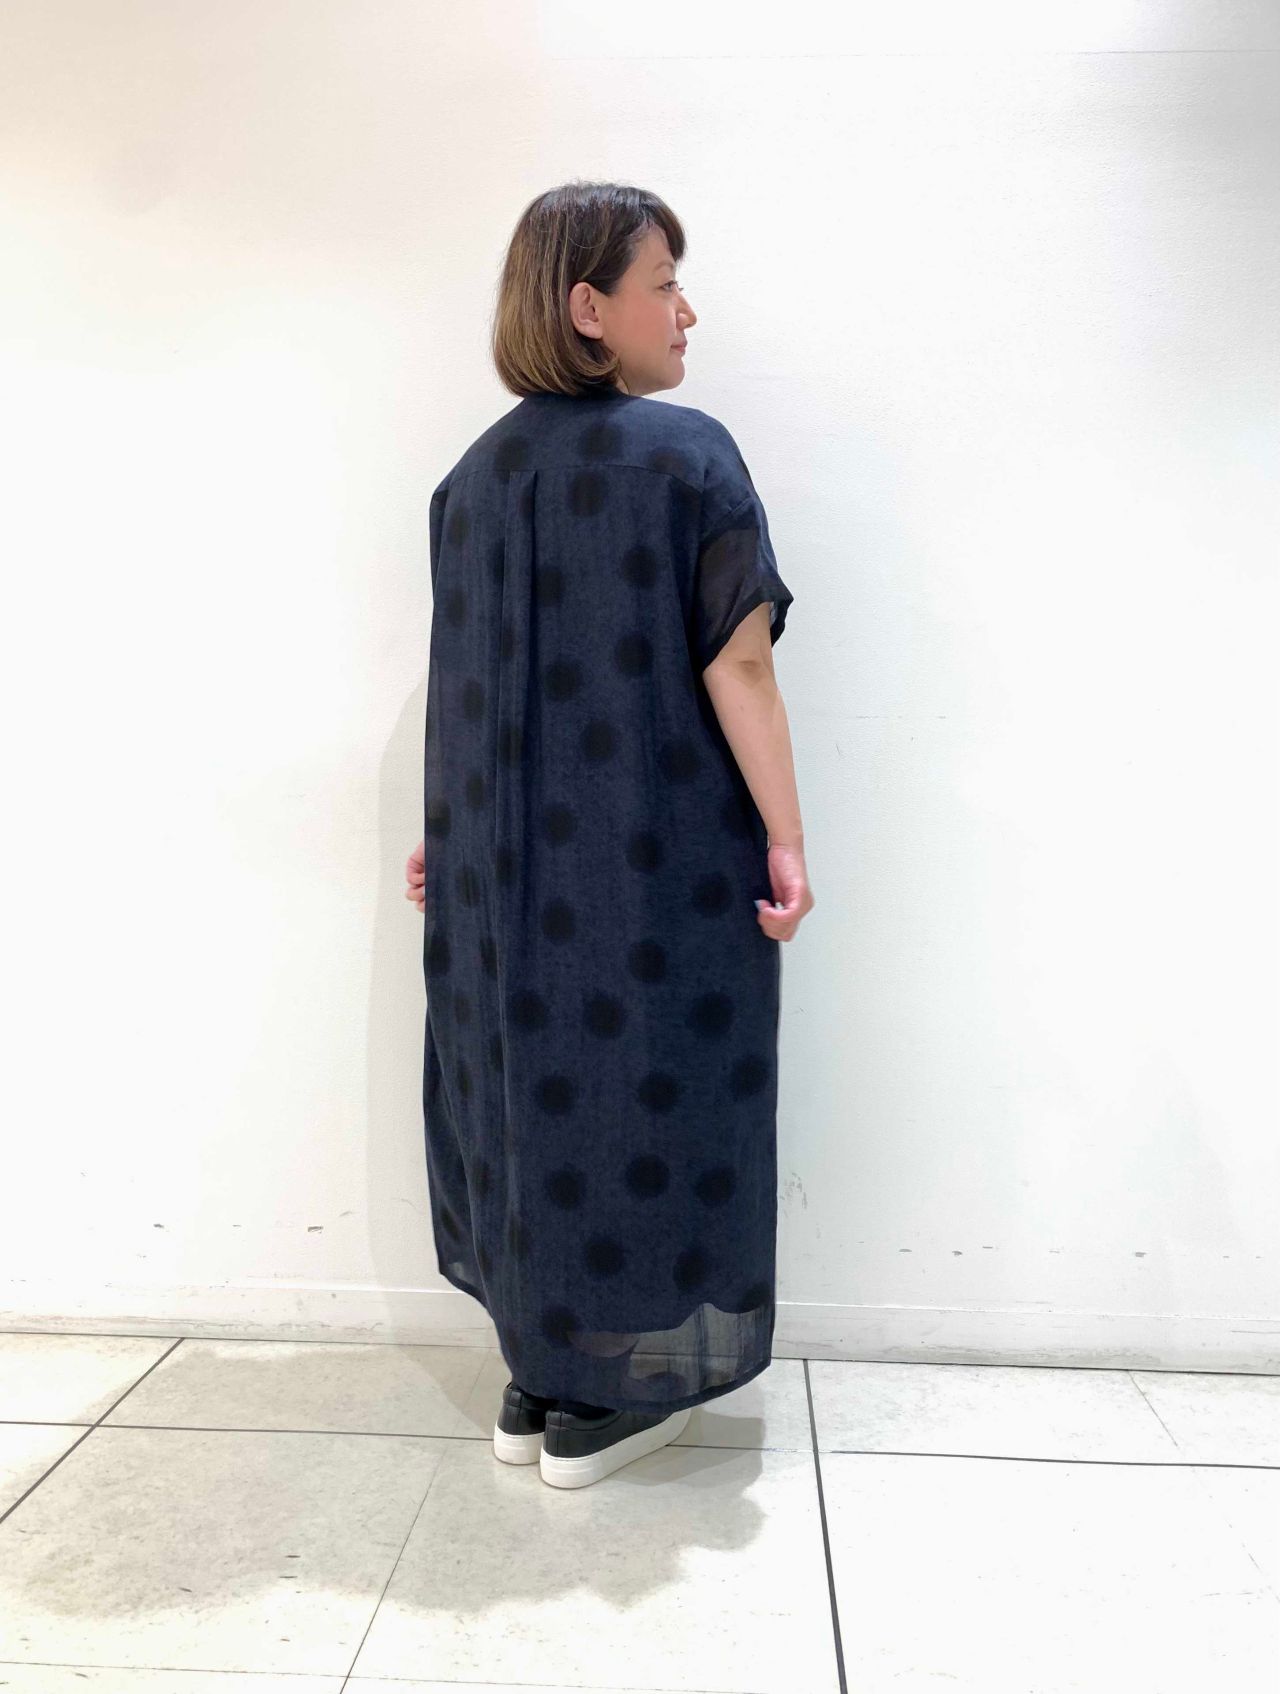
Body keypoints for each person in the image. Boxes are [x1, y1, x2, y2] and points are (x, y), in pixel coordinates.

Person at [404, 181, 814, 1488]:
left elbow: (465, 684)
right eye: (664, 283)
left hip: (500, 873)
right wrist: (787, 838)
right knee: (658, 1091)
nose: (686, 311)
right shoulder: (688, 457)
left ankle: (544, 1374)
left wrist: (445, 837)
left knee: (526, 1097)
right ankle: (611, 1393)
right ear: (589, 308)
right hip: (657, 858)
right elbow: (738, 664)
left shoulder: (468, 483)